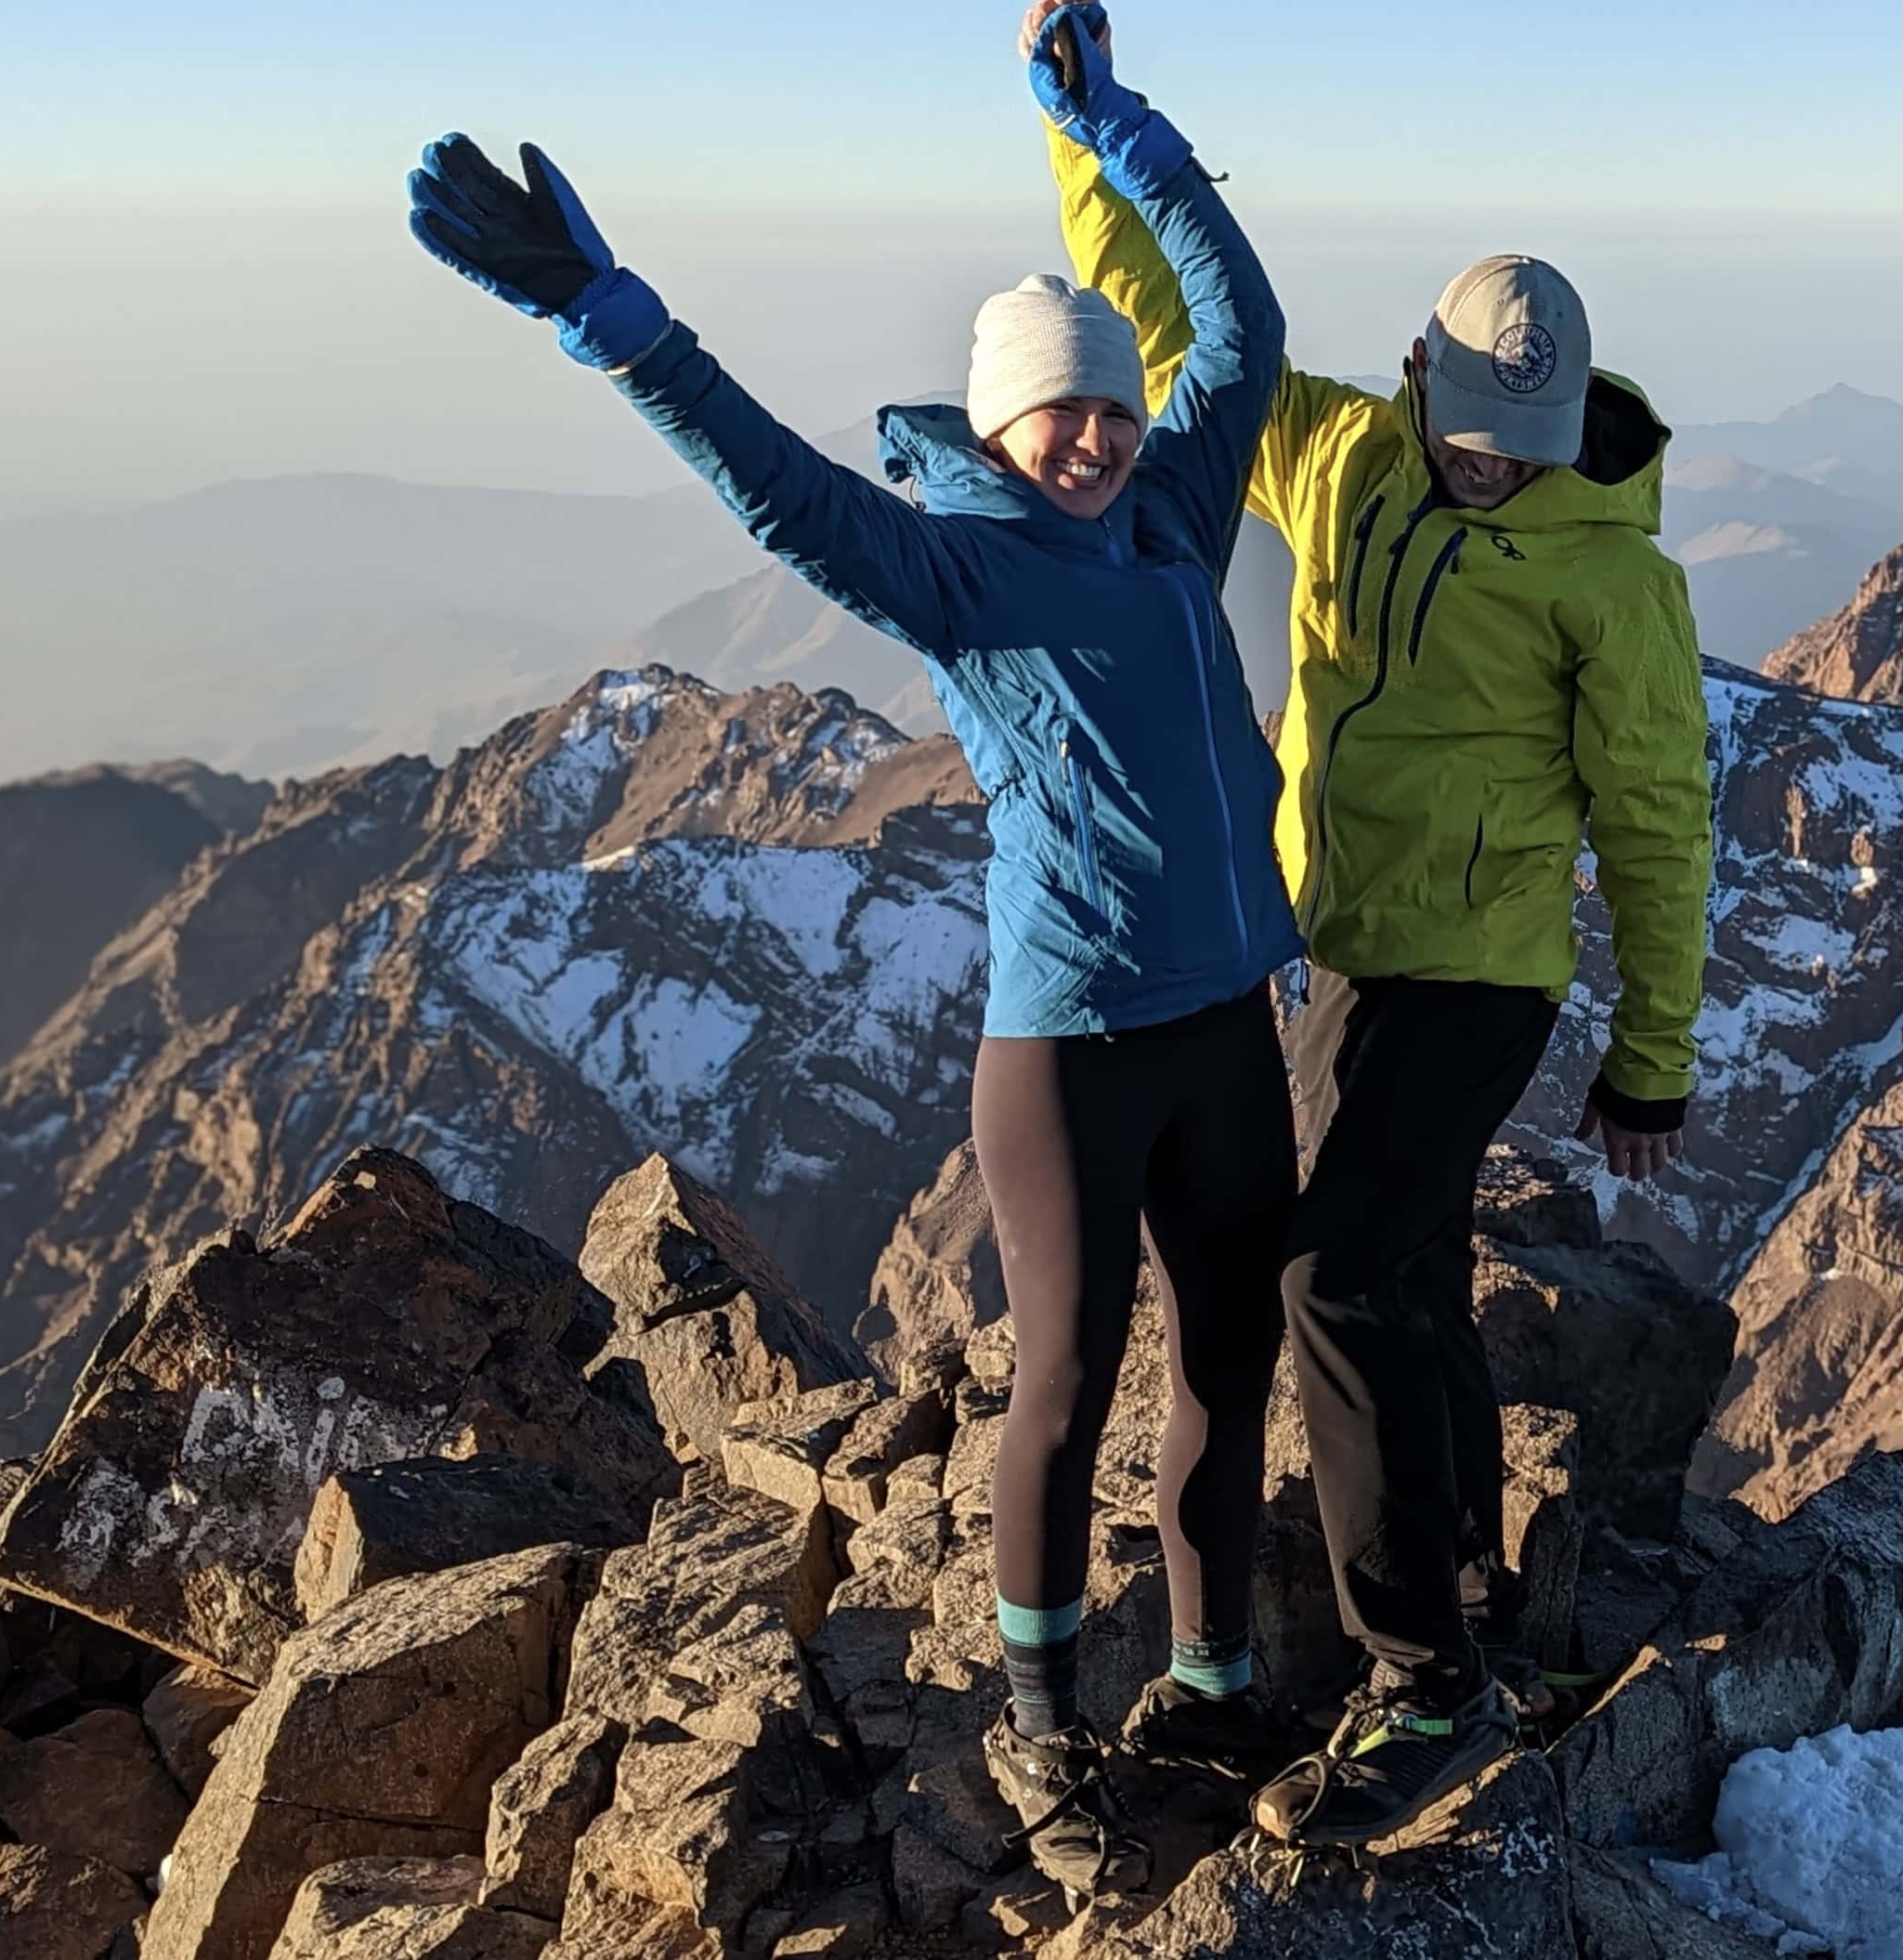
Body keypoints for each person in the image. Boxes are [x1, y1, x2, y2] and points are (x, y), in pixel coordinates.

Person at [408, 7, 1298, 1901]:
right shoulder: (961, 568)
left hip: (1228, 1023)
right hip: (1072, 1047)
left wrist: (1123, 130)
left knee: (1231, 1355)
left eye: (1110, 406)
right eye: (1057, 408)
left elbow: (1250, 338)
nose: (1090, 435)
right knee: (1066, 1377)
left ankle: (1216, 1686)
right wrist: (613, 317)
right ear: (995, 423)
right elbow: (771, 488)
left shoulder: (1168, 518)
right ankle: (1049, 1732)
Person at [1028, 2, 1717, 1851]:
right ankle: (1479, 1601)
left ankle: (1418, 1676)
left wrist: (1652, 1051)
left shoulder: (1610, 578)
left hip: (1481, 968)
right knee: (1400, 1271)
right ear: (1419, 377)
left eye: (1523, 443)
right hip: (1341, 943)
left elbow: (1658, 821)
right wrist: (1088, 144)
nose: (1491, 464)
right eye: (1471, 431)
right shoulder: (1338, 456)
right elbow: (1167, 337)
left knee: (1334, 1272)